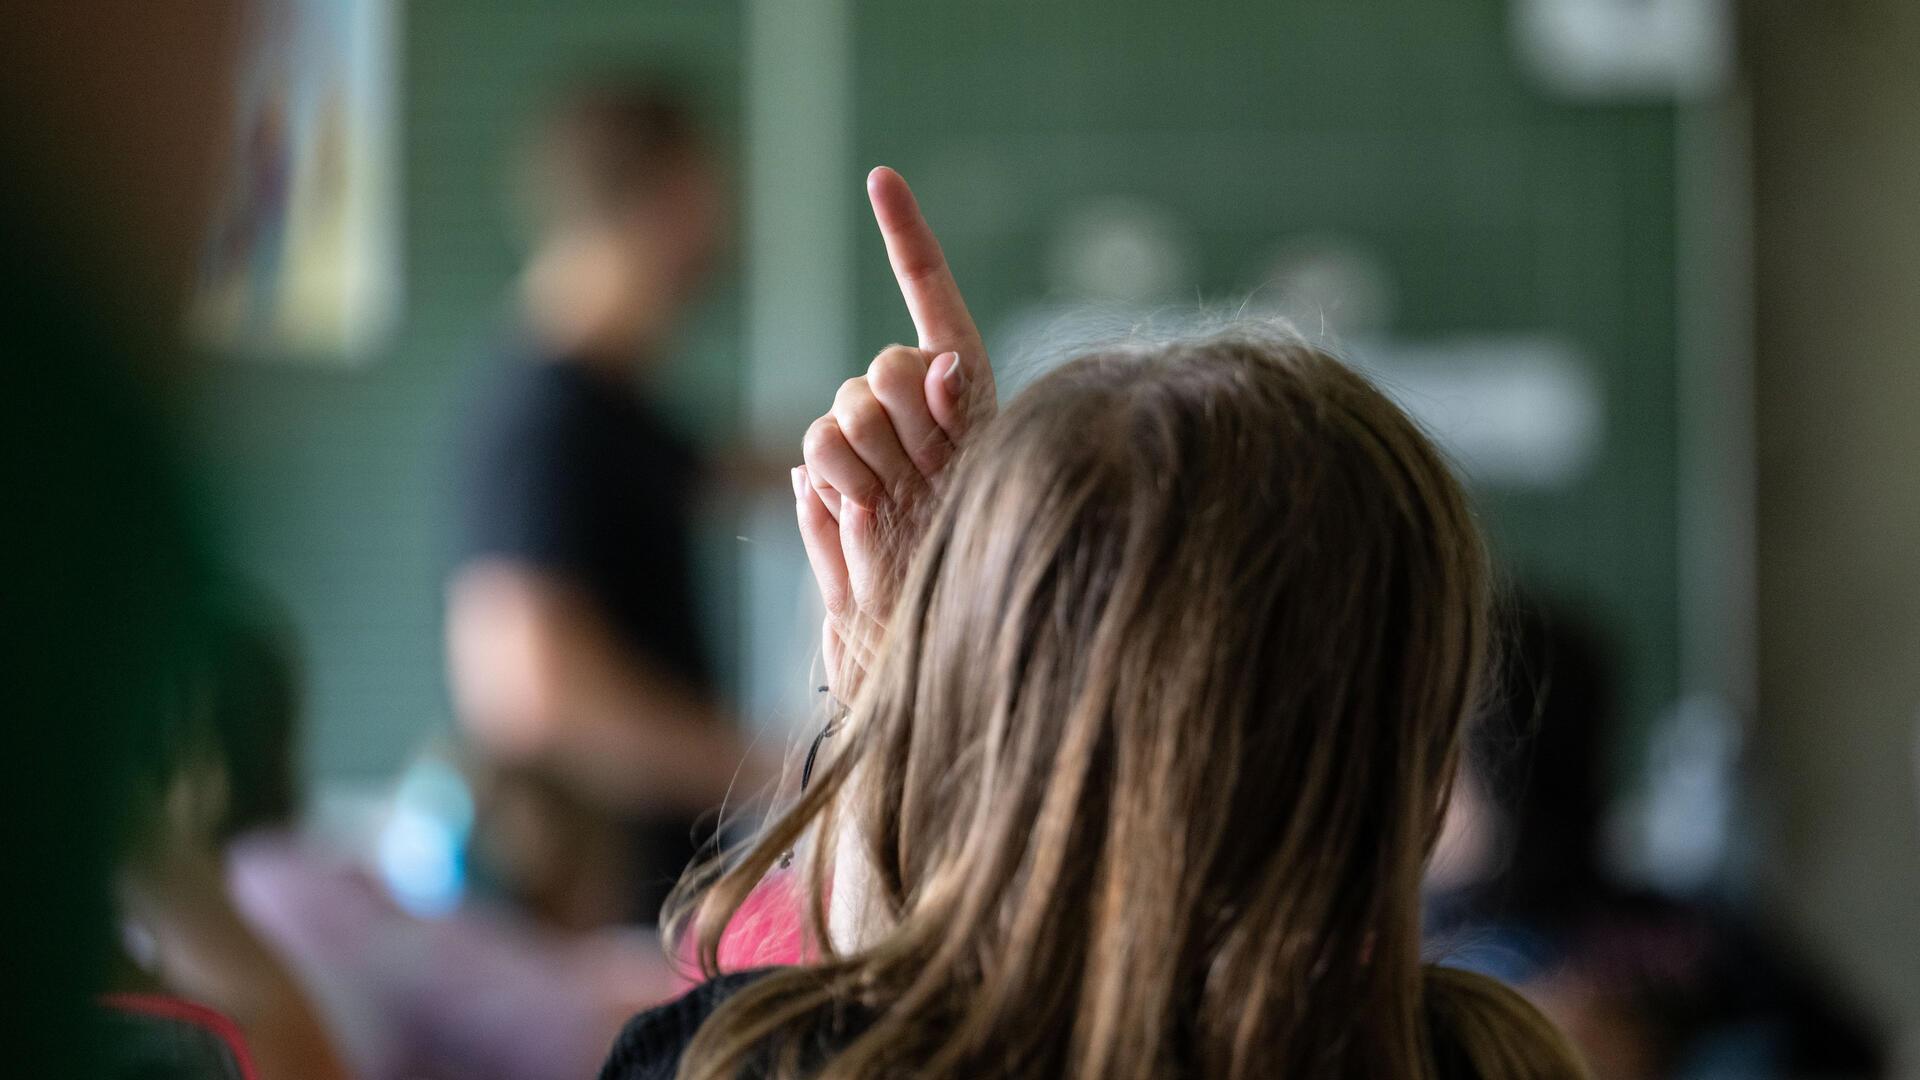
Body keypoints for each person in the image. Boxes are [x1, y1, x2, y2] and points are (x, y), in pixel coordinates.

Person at [598, 168, 1588, 1080]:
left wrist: (905, 694)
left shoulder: (734, 1059)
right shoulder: (1487, 1057)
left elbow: (867, 1038)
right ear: (1423, 771)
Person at [446, 79, 769, 931]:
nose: (721, 238)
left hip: (658, 907)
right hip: (606, 936)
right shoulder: (545, 416)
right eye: (708, 200)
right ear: (660, 202)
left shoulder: (615, 408)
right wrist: (778, 769)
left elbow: (746, 467)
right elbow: (532, 693)